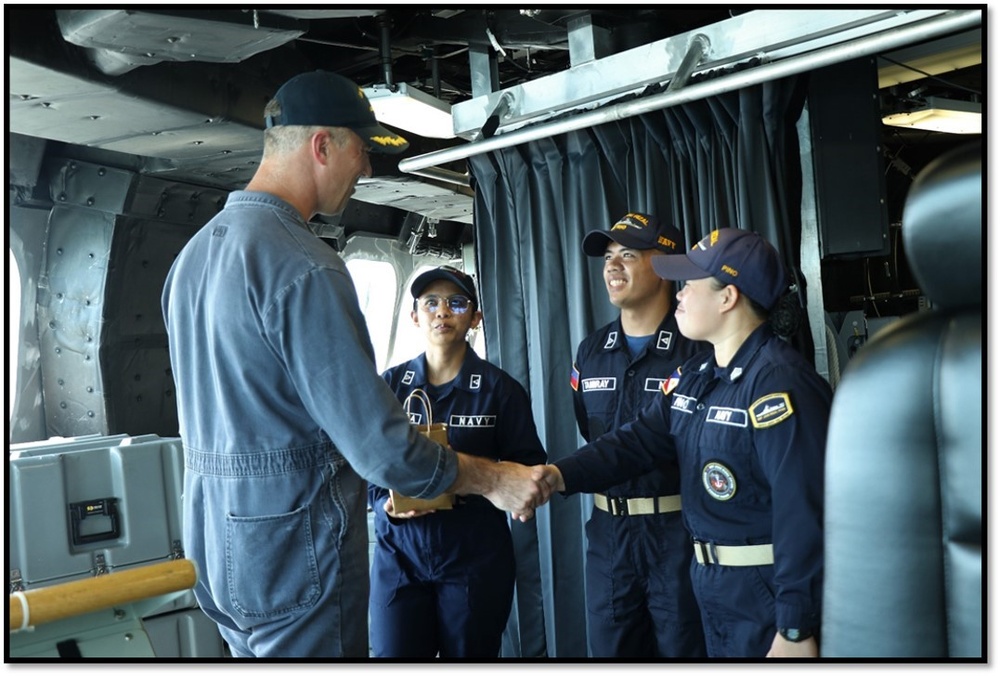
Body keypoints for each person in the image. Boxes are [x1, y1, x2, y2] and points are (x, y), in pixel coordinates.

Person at [161, 70, 550, 659]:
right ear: (323, 145)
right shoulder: (304, 264)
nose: (366, 169)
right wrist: (497, 480)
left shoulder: (191, 257)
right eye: (361, 151)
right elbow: (384, 451)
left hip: (214, 542)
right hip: (291, 548)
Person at [535, 228, 832, 658]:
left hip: (762, 596)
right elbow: (634, 443)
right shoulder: (696, 377)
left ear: (727, 297)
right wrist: (556, 475)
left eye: (690, 285)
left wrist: (795, 626)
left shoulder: (780, 384)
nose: (679, 295)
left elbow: (802, 512)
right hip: (710, 587)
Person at [368, 266, 547, 659]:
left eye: (456, 303)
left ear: (475, 318)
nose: (442, 312)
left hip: (474, 556)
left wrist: (519, 496)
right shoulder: (390, 386)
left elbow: (528, 469)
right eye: (430, 303)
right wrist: (383, 503)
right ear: (414, 316)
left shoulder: (501, 391)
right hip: (400, 554)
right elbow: (366, 463)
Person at [572, 212, 707, 658]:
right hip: (608, 539)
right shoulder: (590, 352)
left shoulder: (699, 348)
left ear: (667, 265)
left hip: (678, 535)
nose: (612, 266)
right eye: (608, 256)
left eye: (628, 254)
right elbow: (590, 435)